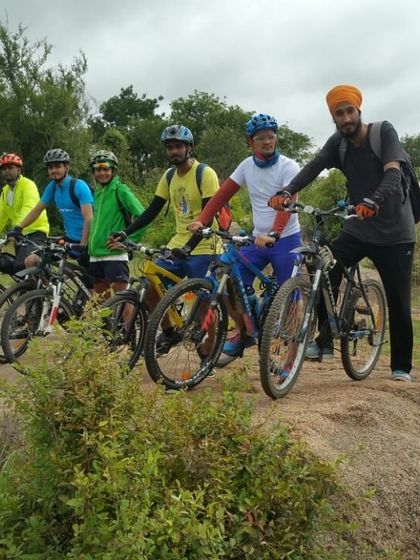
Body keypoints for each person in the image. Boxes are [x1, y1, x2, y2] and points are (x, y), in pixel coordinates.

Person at [268, 84, 416, 382]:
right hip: (359, 228)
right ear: (333, 118)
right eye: (339, 113)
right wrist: (288, 190)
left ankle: (401, 366)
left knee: (399, 300)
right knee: (323, 267)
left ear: (359, 111)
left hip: (395, 233)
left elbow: (393, 173)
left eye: (350, 111)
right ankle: (324, 342)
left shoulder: (382, 132)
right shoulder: (339, 143)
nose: (346, 118)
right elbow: (314, 166)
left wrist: (373, 200)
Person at [188, 113, 301, 365]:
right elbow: (221, 195)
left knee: (290, 295)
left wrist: (275, 233)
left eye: (271, 137)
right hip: (257, 239)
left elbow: (287, 203)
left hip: (286, 239)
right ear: (251, 142)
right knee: (228, 279)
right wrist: (202, 220)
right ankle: (246, 332)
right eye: (261, 138)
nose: (267, 142)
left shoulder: (289, 167)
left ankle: (290, 359)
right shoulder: (246, 166)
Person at [108, 125, 222, 351]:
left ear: (189, 148)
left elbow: (209, 216)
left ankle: (209, 351)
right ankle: (169, 332)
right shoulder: (169, 176)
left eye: (178, 146)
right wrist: (126, 232)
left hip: (205, 245)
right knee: (150, 285)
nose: (174, 152)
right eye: (169, 148)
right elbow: (153, 210)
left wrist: (190, 247)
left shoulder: (205, 174)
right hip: (178, 243)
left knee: (204, 302)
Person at [10, 148, 93, 269]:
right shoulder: (52, 187)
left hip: (88, 241)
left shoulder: (79, 186)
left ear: (66, 167)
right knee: (31, 260)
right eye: (50, 167)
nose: (54, 170)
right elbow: (37, 210)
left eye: (57, 166)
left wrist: (83, 243)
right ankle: (45, 287)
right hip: (69, 240)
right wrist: (19, 227)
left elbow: (89, 218)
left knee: (94, 285)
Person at [88, 150, 146, 296]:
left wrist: (130, 241)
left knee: (123, 303)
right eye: (98, 169)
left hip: (114, 255)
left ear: (113, 170)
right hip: (95, 255)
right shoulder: (98, 192)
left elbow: (142, 216)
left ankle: (128, 320)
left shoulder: (120, 190)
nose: (102, 173)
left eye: (106, 168)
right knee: (101, 304)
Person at [0, 152, 49, 274]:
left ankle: (44, 290)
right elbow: (1, 215)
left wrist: (18, 227)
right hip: (19, 235)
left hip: (35, 232)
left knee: (21, 266)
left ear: (18, 169)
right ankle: (25, 291)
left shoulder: (28, 185)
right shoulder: (5, 192)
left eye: (10, 168)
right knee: (5, 263)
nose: (7, 171)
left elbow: (29, 207)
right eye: (4, 169)